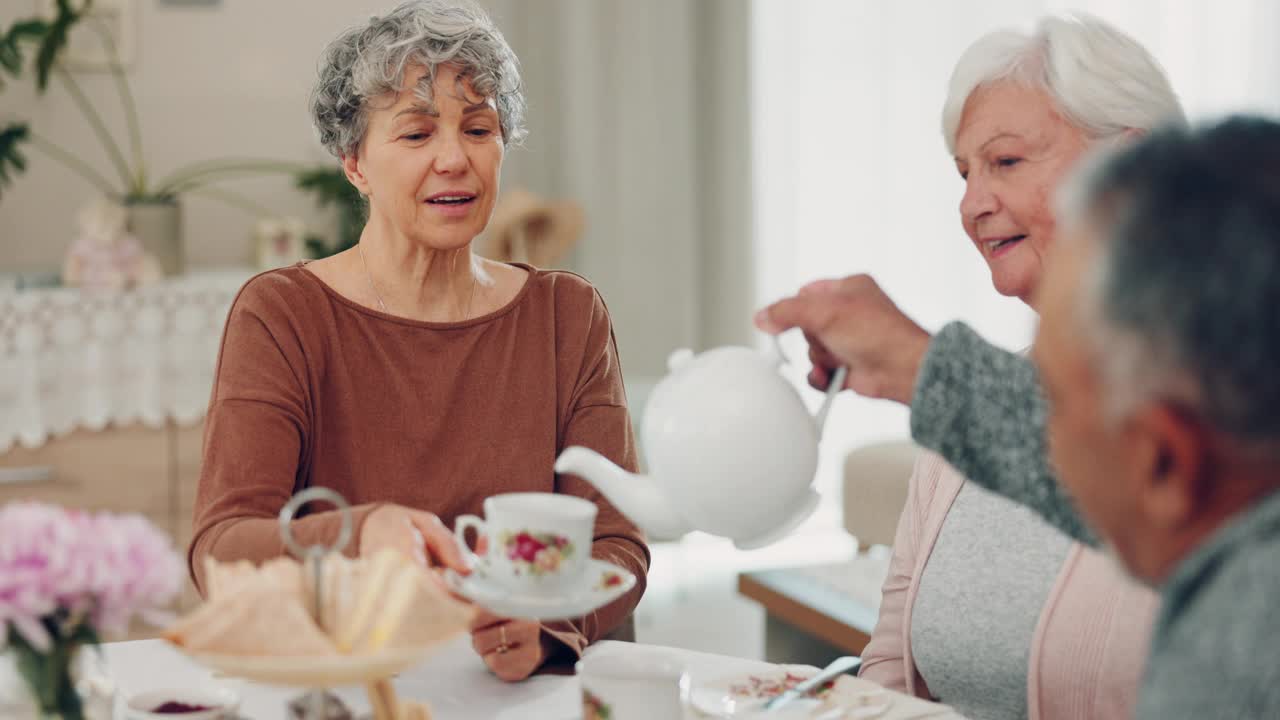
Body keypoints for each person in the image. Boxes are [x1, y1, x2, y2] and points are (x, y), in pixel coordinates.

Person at [189, 0, 648, 683]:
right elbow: (221, 552)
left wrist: (550, 630)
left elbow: (616, 542)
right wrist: (357, 532)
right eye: (415, 134)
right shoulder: (283, 313)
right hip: (349, 684)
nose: (455, 158)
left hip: (518, 690)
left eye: (479, 127)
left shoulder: (566, 314)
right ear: (354, 162)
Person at [758, 117, 1280, 718]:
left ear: (1163, 458)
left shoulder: (1226, 665)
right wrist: (922, 370)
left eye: (1057, 410)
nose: (1043, 451)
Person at [855, 15, 1183, 720]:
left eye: (1004, 162)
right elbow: (886, 667)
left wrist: (922, 368)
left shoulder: (1230, 409)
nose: (972, 204)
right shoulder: (965, 417)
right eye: (964, 172)